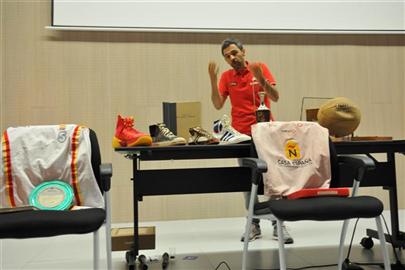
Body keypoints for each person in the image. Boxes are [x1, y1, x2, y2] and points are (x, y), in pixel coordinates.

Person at [208, 38, 293, 244]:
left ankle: (278, 223)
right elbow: (218, 104)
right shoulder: (227, 77)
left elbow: (276, 97)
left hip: (266, 132)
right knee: (248, 181)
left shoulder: (259, 67)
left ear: (244, 51)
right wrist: (212, 78)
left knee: (272, 178)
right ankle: (253, 224)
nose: (232, 58)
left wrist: (260, 78)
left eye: (235, 53)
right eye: (227, 56)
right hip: (241, 136)